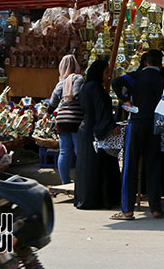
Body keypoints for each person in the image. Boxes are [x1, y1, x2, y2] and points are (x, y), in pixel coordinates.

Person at [111, 50, 164, 220]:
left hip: (136, 123)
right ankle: (156, 208)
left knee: (130, 166)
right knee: (153, 166)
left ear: (146, 63)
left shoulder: (135, 76)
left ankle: (127, 209)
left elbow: (116, 81)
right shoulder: (163, 78)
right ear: (160, 64)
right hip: (155, 125)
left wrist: (124, 100)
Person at [75, 60, 121, 210]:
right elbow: (101, 111)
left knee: (87, 166)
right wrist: (111, 127)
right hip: (95, 130)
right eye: (107, 72)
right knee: (96, 165)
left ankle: (86, 198)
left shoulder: (86, 87)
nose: (109, 76)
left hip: (86, 129)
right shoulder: (95, 88)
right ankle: (96, 199)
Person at [47, 54, 84, 185]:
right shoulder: (79, 79)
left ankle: (65, 182)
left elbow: (52, 103)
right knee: (79, 151)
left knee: (64, 152)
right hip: (76, 119)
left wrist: (49, 111)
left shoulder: (60, 83)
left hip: (62, 119)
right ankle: (81, 181)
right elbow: (79, 96)